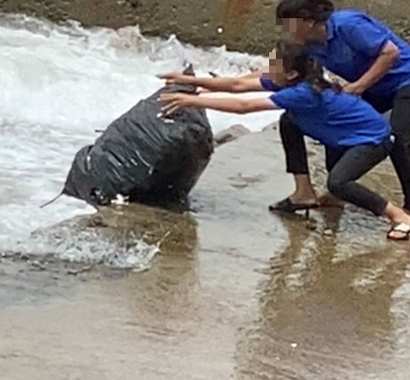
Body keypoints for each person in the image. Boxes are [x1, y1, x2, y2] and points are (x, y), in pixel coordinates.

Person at [159, 40, 410, 242]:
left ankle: (398, 216)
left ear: (290, 73)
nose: (267, 70)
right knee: (289, 120)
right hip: (343, 138)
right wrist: (188, 81)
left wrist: (191, 100)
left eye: (272, 65)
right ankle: (304, 193)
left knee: (339, 182)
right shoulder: (291, 81)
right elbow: (237, 85)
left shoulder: (302, 93)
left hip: (373, 140)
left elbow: (244, 106)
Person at [274, 0, 410, 212]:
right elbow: (288, 74)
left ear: (308, 21)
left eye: (288, 23)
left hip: (405, 79)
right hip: (376, 87)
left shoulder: (349, 25)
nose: (284, 29)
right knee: (320, 116)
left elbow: (390, 53)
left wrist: (358, 86)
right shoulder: (308, 45)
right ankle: (309, 192)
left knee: (399, 135)